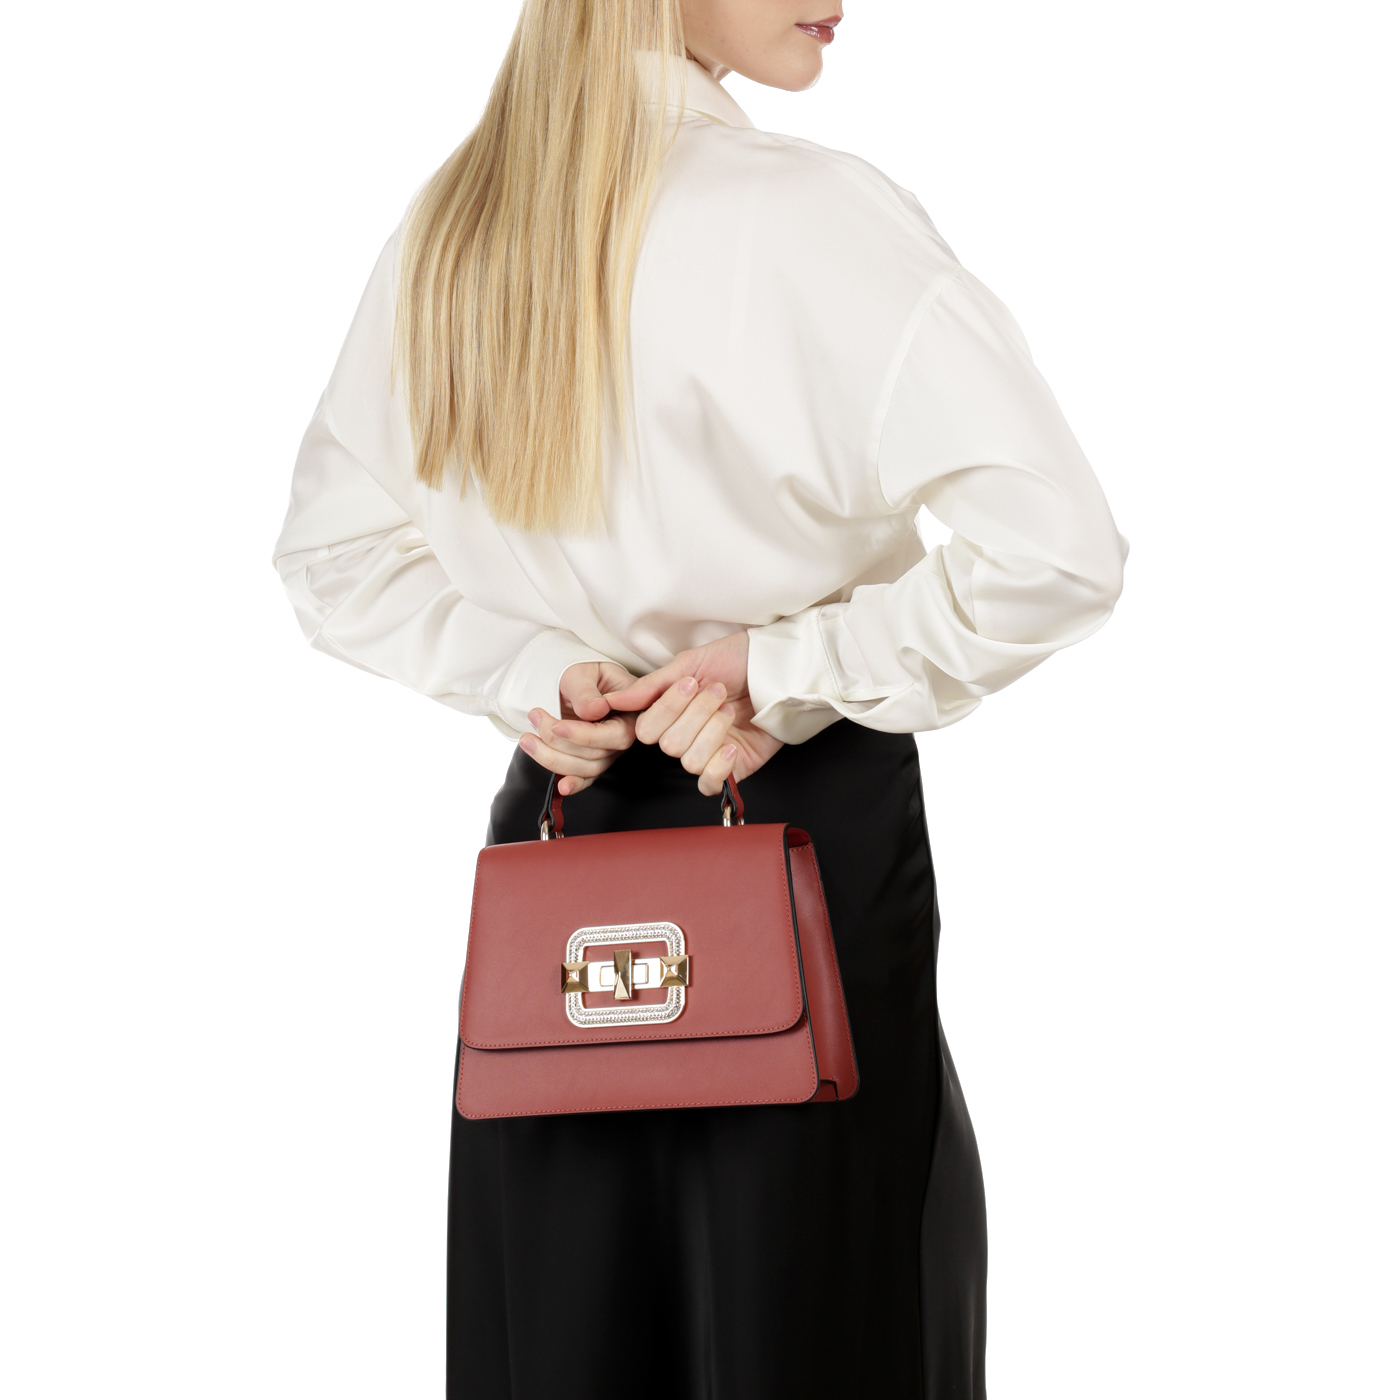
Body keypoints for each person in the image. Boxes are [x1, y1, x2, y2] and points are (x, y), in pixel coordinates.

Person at [273, 2, 1126, 1395]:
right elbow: (1058, 554)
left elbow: (334, 557)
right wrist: (779, 673)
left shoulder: (456, 232)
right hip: (798, 836)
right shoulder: (815, 217)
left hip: (565, 828)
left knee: (564, 1327)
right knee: (829, 1318)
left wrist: (545, 678)